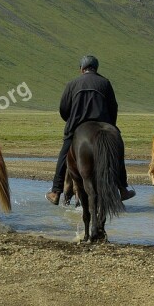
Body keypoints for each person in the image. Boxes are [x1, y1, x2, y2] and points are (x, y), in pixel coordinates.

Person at [45, 55, 135, 204]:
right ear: (96, 68)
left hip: (77, 126)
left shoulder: (72, 84)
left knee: (64, 153)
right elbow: (114, 107)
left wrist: (71, 120)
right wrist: (110, 125)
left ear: (82, 69)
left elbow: (63, 108)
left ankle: (56, 192)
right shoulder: (105, 83)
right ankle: (123, 188)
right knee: (118, 150)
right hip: (104, 124)